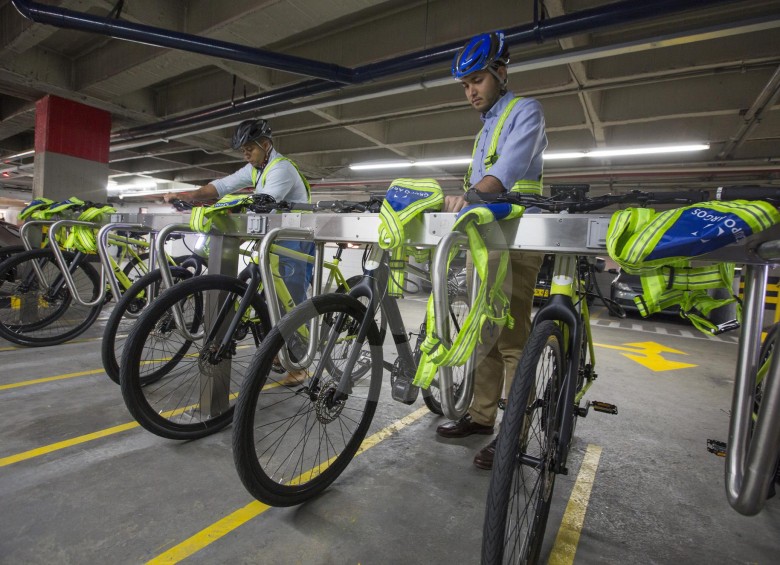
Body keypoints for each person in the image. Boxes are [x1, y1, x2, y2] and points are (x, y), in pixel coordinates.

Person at [435, 31, 547, 470]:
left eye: (477, 80)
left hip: (517, 238)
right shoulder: (484, 129)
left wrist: (470, 196)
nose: (470, 92)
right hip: (485, 238)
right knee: (482, 331)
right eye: (465, 86)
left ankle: (514, 433)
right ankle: (481, 417)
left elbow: (506, 172)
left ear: (500, 73)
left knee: (512, 338)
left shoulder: (526, 112)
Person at [163, 118, 314, 306]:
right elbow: (223, 185)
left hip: (294, 237)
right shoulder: (255, 169)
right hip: (274, 235)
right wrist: (188, 196)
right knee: (269, 289)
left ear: (266, 145)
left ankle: (300, 334)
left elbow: (265, 203)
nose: (246, 155)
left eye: (250, 148)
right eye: (243, 150)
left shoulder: (281, 169)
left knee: (290, 295)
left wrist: (235, 230)